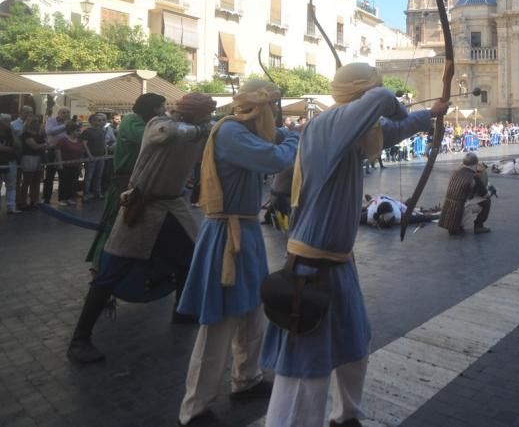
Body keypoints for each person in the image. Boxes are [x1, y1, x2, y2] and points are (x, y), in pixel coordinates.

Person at [259, 63, 442, 427]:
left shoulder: (351, 133)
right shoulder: (327, 125)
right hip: (311, 269)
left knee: (355, 344)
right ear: (361, 94)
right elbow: (382, 101)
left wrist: (429, 116)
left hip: (338, 262)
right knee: (304, 372)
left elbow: (392, 129)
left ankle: (347, 416)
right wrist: (392, 99)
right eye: (371, 89)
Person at [177, 81, 300, 426]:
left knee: (251, 311)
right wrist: (294, 136)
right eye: (271, 109)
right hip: (225, 235)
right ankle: (193, 409)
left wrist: (288, 131)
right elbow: (277, 157)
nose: (274, 116)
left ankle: (247, 379)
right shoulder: (231, 134)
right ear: (259, 109)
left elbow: (268, 138)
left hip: (244, 232)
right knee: (218, 323)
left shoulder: (243, 130)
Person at [67, 93, 217, 364]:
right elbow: (167, 131)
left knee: (189, 259)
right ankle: (79, 339)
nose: (209, 118)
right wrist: (205, 127)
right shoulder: (159, 125)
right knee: (112, 271)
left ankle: (183, 310)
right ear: (195, 114)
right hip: (144, 205)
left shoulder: (198, 130)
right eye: (206, 113)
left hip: (173, 206)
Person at [86, 93, 167, 272]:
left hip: (143, 180)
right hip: (125, 180)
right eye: (161, 106)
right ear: (152, 107)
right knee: (115, 223)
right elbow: (150, 137)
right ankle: (99, 267)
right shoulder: (132, 120)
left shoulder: (150, 122)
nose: (164, 110)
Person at [438, 152, 493, 235]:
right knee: (487, 201)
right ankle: (479, 226)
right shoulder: (474, 177)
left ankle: (457, 225)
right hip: (461, 208)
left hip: (448, 209)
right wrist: (490, 191)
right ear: (475, 164)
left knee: (460, 199)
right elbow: (485, 194)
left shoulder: (454, 173)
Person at [0, 113, 21, 216]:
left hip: (10, 161)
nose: (8, 123)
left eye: (9, 120)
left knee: (11, 185)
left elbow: (18, 146)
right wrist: (11, 150)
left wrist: (14, 134)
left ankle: (11, 207)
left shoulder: (11, 133)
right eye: (6, 121)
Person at [18, 117, 48, 211]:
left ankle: (35, 200)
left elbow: (45, 144)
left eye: (38, 122)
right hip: (29, 157)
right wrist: (44, 145)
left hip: (39, 158)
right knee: (27, 181)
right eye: (34, 122)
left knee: (37, 181)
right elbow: (34, 146)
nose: (37, 124)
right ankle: (22, 202)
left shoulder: (40, 134)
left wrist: (44, 145)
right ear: (29, 124)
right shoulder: (25, 134)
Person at [42, 107, 71, 203]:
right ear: (58, 113)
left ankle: (62, 198)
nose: (66, 114)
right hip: (52, 150)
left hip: (64, 151)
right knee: (50, 176)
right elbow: (49, 131)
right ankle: (46, 199)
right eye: (63, 112)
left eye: (67, 113)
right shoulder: (51, 120)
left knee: (64, 176)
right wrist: (64, 126)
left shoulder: (68, 123)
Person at [56, 122, 87, 207]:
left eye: (79, 131)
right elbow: (58, 151)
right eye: (77, 131)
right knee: (64, 182)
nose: (79, 133)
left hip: (75, 165)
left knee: (73, 183)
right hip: (65, 165)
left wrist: (80, 165)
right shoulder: (63, 139)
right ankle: (62, 199)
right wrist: (60, 163)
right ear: (71, 131)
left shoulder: (79, 141)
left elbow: (81, 153)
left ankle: (70, 198)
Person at [81, 114, 108, 199]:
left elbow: (104, 142)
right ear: (92, 121)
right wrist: (89, 155)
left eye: (101, 120)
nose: (101, 122)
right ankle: (86, 193)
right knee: (89, 176)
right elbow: (84, 144)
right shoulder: (87, 131)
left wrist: (105, 153)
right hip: (91, 157)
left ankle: (97, 192)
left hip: (101, 157)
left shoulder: (102, 131)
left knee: (98, 176)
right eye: (98, 120)